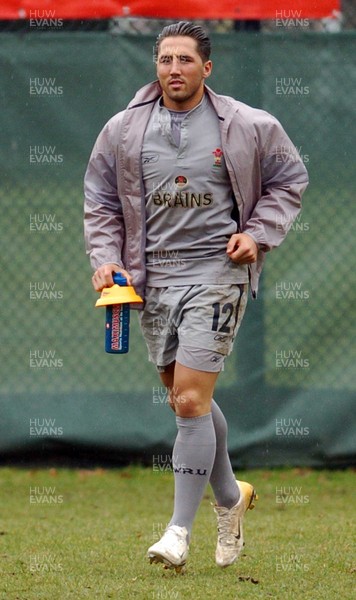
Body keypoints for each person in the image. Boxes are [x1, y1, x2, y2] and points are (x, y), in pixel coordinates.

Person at [84, 21, 308, 572]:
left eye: (185, 60)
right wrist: (106, 260)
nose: (173, 70)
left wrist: (256, 234)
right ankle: (232, 498)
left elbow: (289, 179)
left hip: (217, 273)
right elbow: (101, 200)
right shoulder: (122, 130)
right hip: (150, 278)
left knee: (188, 401)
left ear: (207, 68)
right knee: (187, 400)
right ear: (155, 65)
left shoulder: (249, 124)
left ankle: (178, 532)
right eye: (165, 59)